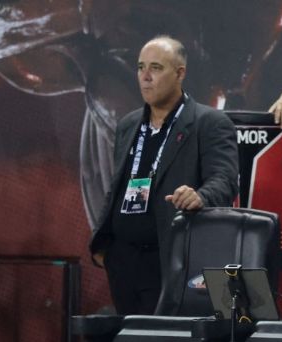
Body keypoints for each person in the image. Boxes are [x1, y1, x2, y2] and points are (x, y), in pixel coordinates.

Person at [90, 35, 238, 314]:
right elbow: (118, 186)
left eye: (156, 68)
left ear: (180, 73)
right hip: (123, 261)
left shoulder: (210, 123)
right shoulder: (128, 124)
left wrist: (200, 196)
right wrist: (105, 242)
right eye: (140, 67)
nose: (145, 76)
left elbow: (225, 180)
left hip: (169, 259)